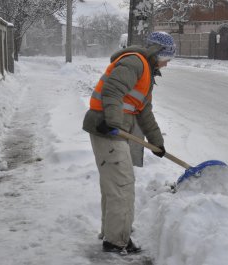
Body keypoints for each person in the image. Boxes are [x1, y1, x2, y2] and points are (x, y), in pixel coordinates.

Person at [82, 31, 175, 255]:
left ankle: (112, 233)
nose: (167, 64)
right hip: (108, 130)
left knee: (114, 185)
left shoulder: (145, 71)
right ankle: (116, 242)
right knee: (122, 186)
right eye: (167, 58)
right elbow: (113, 90)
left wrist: (157, 143)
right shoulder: (135, 62)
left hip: (113, 130)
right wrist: (112, 122)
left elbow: (144, 113)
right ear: (157, 52)